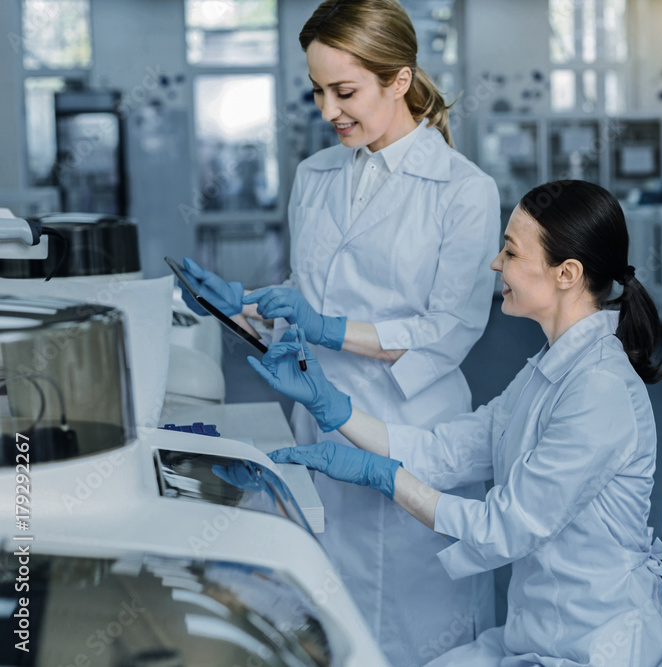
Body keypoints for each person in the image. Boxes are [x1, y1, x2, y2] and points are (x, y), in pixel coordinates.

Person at [179, 1, 500, 663]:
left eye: (345, 92)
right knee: (327, 618)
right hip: (319, 421)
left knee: (414, 631)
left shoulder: (463, 190)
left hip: (413, 428)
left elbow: (447, 330)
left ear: (399, 80)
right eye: (318, 91)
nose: (329, 110)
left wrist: (327, 327)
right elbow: (305, 295)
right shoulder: (316, 175)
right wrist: (240, 308)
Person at [252, 180, 662, 666]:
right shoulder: (550, 367)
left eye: (511, 251)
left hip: (598, 646)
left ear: (567, 273)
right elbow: (450, 451)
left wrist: (385, 477)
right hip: (539, 634)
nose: (496, 264)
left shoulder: (599, 389)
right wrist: (333, 408)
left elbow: (504, 526)